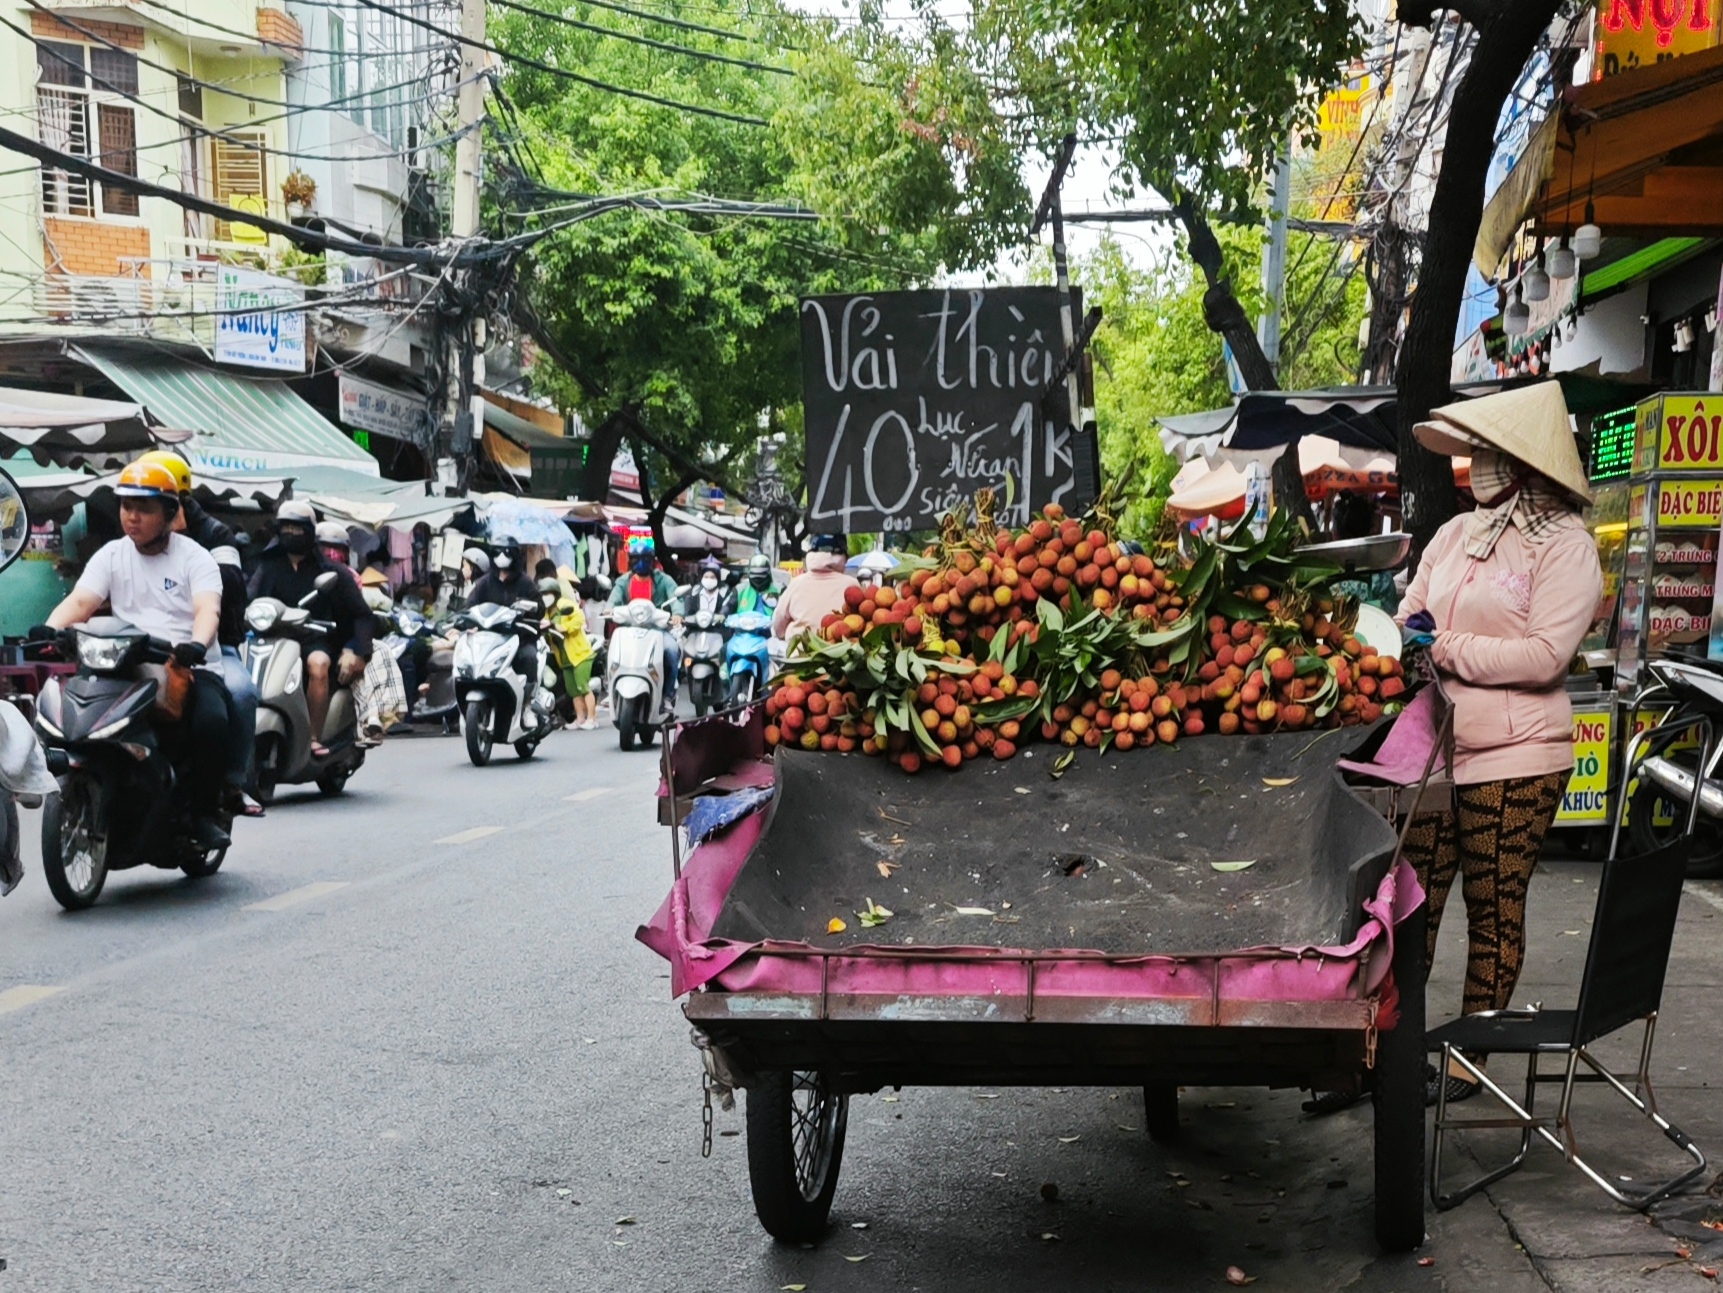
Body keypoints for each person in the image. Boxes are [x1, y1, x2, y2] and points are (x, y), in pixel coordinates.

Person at [1397, 382, 1603, 1106]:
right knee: (1408, 909)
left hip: (1517, 758)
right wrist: (1421, 635)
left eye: (1487, 452)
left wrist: (1444, 644)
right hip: (1432, 750)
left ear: (1520, 462)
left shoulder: (1568, 548)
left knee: (1492, 909)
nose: (1475, 464)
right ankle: (1393, 1052)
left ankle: (1467, 1061)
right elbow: (1407, 608)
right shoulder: (1454, 533)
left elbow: (1543, 657)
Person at [38, 460, 231, 848]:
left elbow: (207, 609)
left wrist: (197, 642)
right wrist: (50, 627)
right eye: (127, 507)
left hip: (186, 663)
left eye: (144, 508)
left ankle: (205, 814)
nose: (132, 517)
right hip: (123, 660)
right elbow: (81, 601)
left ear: (170, 513)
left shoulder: (196, 558)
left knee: (212, 722)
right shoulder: (112, 555)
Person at [247, 500, 374, 758]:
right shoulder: (267, 566)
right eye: (286, 528)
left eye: (298, 529)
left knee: (318, 665)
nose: (291, 534)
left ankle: (313, 736)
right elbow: (249, 600)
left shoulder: (332, 571)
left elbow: (363, 615)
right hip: (273, 640)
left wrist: (356, 649)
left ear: (310, 532)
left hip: (314, 639)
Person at [609, 543, 682, 699]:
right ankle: (612, 690)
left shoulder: (663, 580)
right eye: (636, 559)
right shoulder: (624, 581)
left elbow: (676, 598)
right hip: (629, 631)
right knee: (612, 652)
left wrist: (677, 613)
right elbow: (613, 598)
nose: (640, 562)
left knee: (671, 650)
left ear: (652, 561)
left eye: (645, 559)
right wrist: (609, 609)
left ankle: (668, 694)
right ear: (630, 560)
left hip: (658, 630)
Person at [774, 533, 859, 646]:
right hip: (840, 657)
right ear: (843, 557)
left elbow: (778, 625)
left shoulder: (796, 583)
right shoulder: (852, 584)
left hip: (797, 656)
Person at [539, 576, 597, 729]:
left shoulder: (565, 605)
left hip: (579, 654)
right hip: (564, 658)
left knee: (583, 687)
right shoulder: (545, 613)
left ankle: (591, 718)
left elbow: (579, 618)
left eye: (548, 593)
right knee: (573, 691)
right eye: (542, 594)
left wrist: (562, 627)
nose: (545, 597)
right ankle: (580, 719)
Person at [467, 541, 538, 610]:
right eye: (497, 552)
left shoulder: (525, 582)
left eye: (507, 552)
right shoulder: (486, 582)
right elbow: (470, 604)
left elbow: (539, 607)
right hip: (490, 621)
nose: (501, 556)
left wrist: (523, 605)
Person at [724, 553, 778, 617]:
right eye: (754, 574)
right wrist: (722, 615)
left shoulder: (779, 589)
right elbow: (729, 606)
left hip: (771, 626)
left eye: (761, 575)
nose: (757, 579)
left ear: (768, 573)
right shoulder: (740, 589)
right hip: (742, 625)